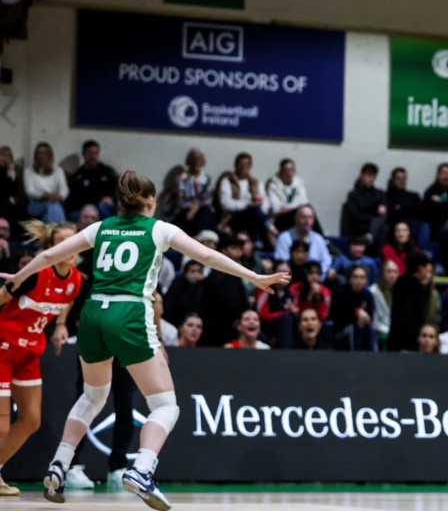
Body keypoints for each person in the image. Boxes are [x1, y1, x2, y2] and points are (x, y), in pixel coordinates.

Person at [0, 171, 288, 509]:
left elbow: (48, 256)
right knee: (165, 405)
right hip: (129, 315)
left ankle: (59, 464)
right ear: (151, 202)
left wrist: (18, 278)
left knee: (93, 396)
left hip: (92, 315)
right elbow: (207, 256)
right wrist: (254, 276)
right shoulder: (160, 229)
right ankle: (142, 468)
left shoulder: (101, 227)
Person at [0, 220, 81, 495]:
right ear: (50, 247)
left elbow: (67, 298)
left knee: (31, 420)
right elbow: (2, 296)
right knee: (0, 423)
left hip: (29, 352)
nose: (69, 247)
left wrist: (60, 324)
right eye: (61, 242)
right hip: (3, 347)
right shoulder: (35, 273)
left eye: (73, 241)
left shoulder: (76, 280)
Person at [216, 152, 276, 248]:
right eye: (241, 165)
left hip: (253, 216)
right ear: (236, 166)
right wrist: (247, 205)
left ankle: (258, 242)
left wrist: (254, 206)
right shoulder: (227, 181)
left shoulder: (256, 182)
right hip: (233, 217)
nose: (244, 167)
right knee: (253, 210)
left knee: (254, 211)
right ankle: (268, 226)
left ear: (251, 166)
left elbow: (265, 204)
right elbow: (226, 204)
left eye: (247, 165)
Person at [387, 251, 438, 352]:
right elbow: (415, 316)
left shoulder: (400, 282)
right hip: (409, 342)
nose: (428, 272)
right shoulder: (417, 288)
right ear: (420, 268)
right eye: (427, 269)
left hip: (395, 338)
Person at [273, 205, 333, 279]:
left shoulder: (318, 239)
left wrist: (318, 276)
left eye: (310, 217)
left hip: (315, 279)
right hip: (290, 278)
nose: (307, 221)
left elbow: (326, 261)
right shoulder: (284, 237)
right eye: (303, 217)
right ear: (296, 218)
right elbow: (281, 262)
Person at [65, 140, 118, 220]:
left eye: (95, 153)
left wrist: (111, 198)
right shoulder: (77, 176)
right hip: (85, 208)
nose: (93, 156)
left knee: (104, 207)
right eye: (90, 153)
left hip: (106, 206)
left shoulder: (107, 172)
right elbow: (73, 200)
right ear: (84, 155)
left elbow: (120, 188)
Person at [171, 148, 214, 235]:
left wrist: (195, 208)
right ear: (188, 161)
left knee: (206, 211)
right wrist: (191, 206)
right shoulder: (182, 178)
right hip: (185, 209)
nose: (196, 162)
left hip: (200, 208)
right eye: (194, 159)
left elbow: (208, 197)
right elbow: (180, 200)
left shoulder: (206, 178)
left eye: (199, 159)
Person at [24, 142, 68, 224]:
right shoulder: (29, 171)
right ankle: (61, 232)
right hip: (35, 204)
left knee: (52, 207)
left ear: (50, 155)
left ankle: (50, 233)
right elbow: (29, 191)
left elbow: (64, 189)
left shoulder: (58, 170)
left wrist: (59, 196)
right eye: (40, 153)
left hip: (54, 201)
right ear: (36, 155)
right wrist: (45, 195)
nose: (42, 156)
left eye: (45, 153)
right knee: (52, 206)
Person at [255, 260, 295, 349]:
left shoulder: (292, 291)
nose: (285, 276)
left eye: (288, 273)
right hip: (265, 325)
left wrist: (295, 310)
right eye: (281, 272)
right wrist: (284, 312)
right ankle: (284, 354)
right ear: (273, 273)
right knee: (286, 319)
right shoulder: (264, 288)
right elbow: (263, 315)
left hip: (284, 324)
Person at [266, 158, 312, 233]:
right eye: (286, 170)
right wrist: (293, 209)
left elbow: (304, 203)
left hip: (297, 216)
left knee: (310, 211)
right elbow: (276, 207)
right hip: (281, 218)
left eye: (292, 170)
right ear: (281, 172)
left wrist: (290, 209)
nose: (289, 173)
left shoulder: (299, 183)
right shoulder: (274, 185)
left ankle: (323, 240)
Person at [344, 162, 387, 242]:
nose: (371, 179)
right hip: (361, 225)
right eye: (368, 175)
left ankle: (370, 235)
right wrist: (373, 216)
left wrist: (382, 207)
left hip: (376, 225)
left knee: (384, 223)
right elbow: (355, 215)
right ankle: (370, 235)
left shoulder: (379, 193)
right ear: (362, 176)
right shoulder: (354, 194)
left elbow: (384, 209)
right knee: (380, 225)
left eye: (373, 176)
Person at [370, 259, 399, 350]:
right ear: (382, 273)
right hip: (378, 330)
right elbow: (374, 318)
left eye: (395, 271)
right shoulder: (373, 291)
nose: (392, 275)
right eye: (389, 271)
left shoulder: (401, 293)